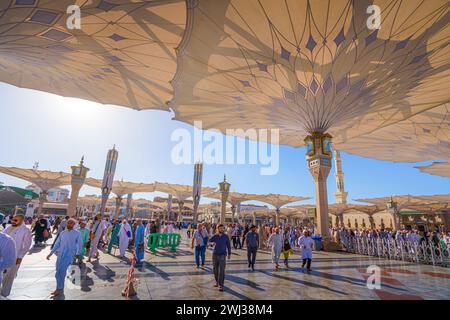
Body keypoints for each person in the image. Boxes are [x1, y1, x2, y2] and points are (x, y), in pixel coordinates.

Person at [46, 218, 82, 297]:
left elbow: (80, 244)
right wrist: (50, 253)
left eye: (71, 223)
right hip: (60, 255)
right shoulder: (62, 233)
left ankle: (59, 289)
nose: (69, 224)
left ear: (74, 224)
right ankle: (59, 288)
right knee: (57, 272)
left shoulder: (77, 233)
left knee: (61, 272)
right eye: (68, 223)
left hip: (69, 256)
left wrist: (78, 254)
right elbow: (57, 244)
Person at [1, 213, 32, 297]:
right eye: (12, 219)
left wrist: (20, 256)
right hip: (3, 255)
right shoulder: (9, 227)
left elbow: (27, 245)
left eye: (15, 220)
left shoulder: (25, 230)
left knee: (9, 276)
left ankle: (4, 294)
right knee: (2, 274)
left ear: (21, 221)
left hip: (15, 256)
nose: (13, 221)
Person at [208, 224, 231, 292]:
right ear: (217, 229)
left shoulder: (226, 236)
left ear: (223, 229)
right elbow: (209, 241)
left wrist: (229, 253)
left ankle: (221, 285)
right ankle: (217, 282)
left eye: (222, 228)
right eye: (220, 228)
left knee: (222, 271)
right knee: (215, 269)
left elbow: (229, 245)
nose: (221, 229)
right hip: (215, 254)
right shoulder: (215, 236)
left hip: (222, 255)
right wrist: (211, 244)